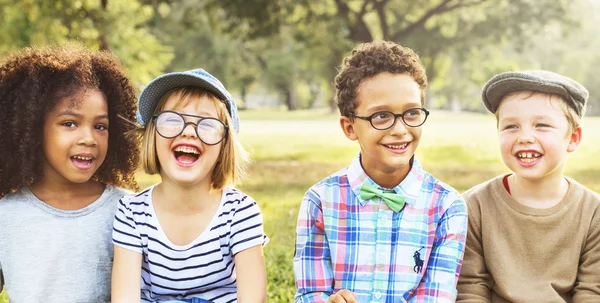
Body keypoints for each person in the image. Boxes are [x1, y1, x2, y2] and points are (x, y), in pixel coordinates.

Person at [293, 40, 468, 303]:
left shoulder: (446, 206)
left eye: (411, 112)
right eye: (381, 116)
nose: (400, 129)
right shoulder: (320, 200)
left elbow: (436, 295)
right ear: (350, 127)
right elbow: (310, 292)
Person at [111, 68, 268, 303]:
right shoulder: (132, 213)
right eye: (172, 120)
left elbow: (253, 299)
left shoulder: (239, 213)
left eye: (207, 124)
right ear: (152, 135)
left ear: (224, 146)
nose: (189, 131)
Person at [0, 45, 140, 303]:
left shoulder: (130, 209)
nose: (89, 138)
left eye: (100, 126)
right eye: (70, 123)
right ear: (32, 128)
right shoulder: (5, 215)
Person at [457, 70, 600, 302]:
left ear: (572, 138)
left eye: (541, 125)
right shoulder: (473, 207)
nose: (524, 137)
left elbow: (592, 292)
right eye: (511, 126)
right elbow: (469, 287)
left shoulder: (593, 213)